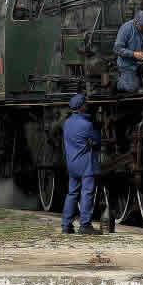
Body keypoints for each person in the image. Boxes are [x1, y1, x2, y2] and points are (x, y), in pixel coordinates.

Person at [61, 93, 101, 235]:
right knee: (87, 193)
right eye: (86, 103)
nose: (87, 105)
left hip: (72, 163)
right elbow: (97, 141)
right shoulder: (87, 125)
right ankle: (85, 224)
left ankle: (66, 225)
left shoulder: (67, 123)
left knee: (72, 193)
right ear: (81, 107)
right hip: (85, 164)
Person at [113, 10, 143, 92]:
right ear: (136, 22)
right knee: (132, 88)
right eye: (142, 26)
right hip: (128, 66)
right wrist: (133, 54)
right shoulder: (126, 29)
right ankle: (120, 82)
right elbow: (117, 49)